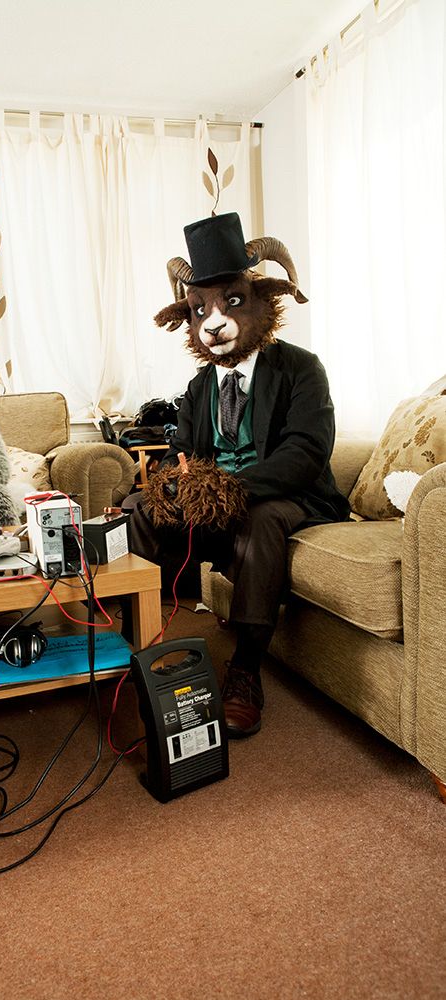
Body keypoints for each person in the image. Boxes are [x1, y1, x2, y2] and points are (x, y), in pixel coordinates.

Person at [123, 213, 350, 738]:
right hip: (213, 506)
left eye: (231, 302)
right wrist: (171, 481)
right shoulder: (201, 385)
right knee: (138, 510)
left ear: (261, 301)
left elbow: (307, 453)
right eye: (200, 309)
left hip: (286, 499)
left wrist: (228, 490)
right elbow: (180, 449)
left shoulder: (300, 368)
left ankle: (246, 667)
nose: (213, 321)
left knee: (261, 516)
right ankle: (140, 646)